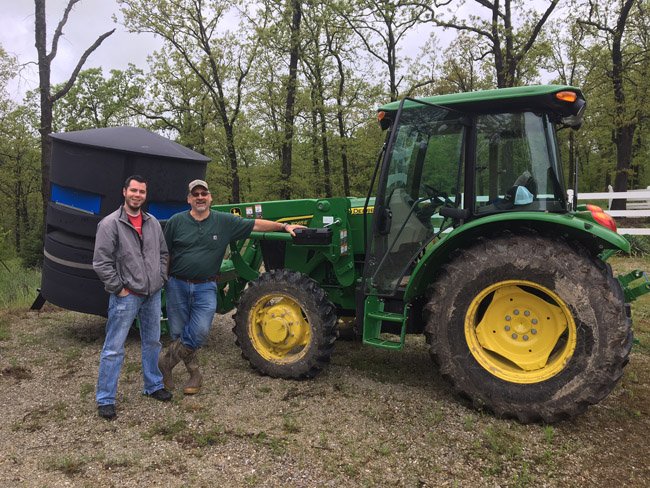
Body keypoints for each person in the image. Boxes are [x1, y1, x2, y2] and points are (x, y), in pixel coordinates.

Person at [159, 179, 305, 395]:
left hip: (205, 287)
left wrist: (284, 226)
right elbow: (166, 252)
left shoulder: (223, 221)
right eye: (195, 194)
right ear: (189, 199)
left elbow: (255, 225)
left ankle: (165, 362)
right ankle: (195, 374)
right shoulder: (176, 221)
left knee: (198, 333)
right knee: (179, 333)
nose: (200, 197)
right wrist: (164, 279)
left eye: (204, 193)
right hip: (177, 284)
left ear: (210, 198)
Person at [93, 175, 172, 420]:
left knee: (152, 342)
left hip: (152, 294)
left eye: (142, 192)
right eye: (134, 190)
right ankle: (106, 399)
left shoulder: (152, 223)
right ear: (124, 192)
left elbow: (163, 253)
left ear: (145, 195)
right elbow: (101, 262)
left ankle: (153, 385)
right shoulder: (110, 224)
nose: (137, 195)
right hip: (126, 297)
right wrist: (118, 288)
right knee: (113, 348)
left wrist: (161, 278)